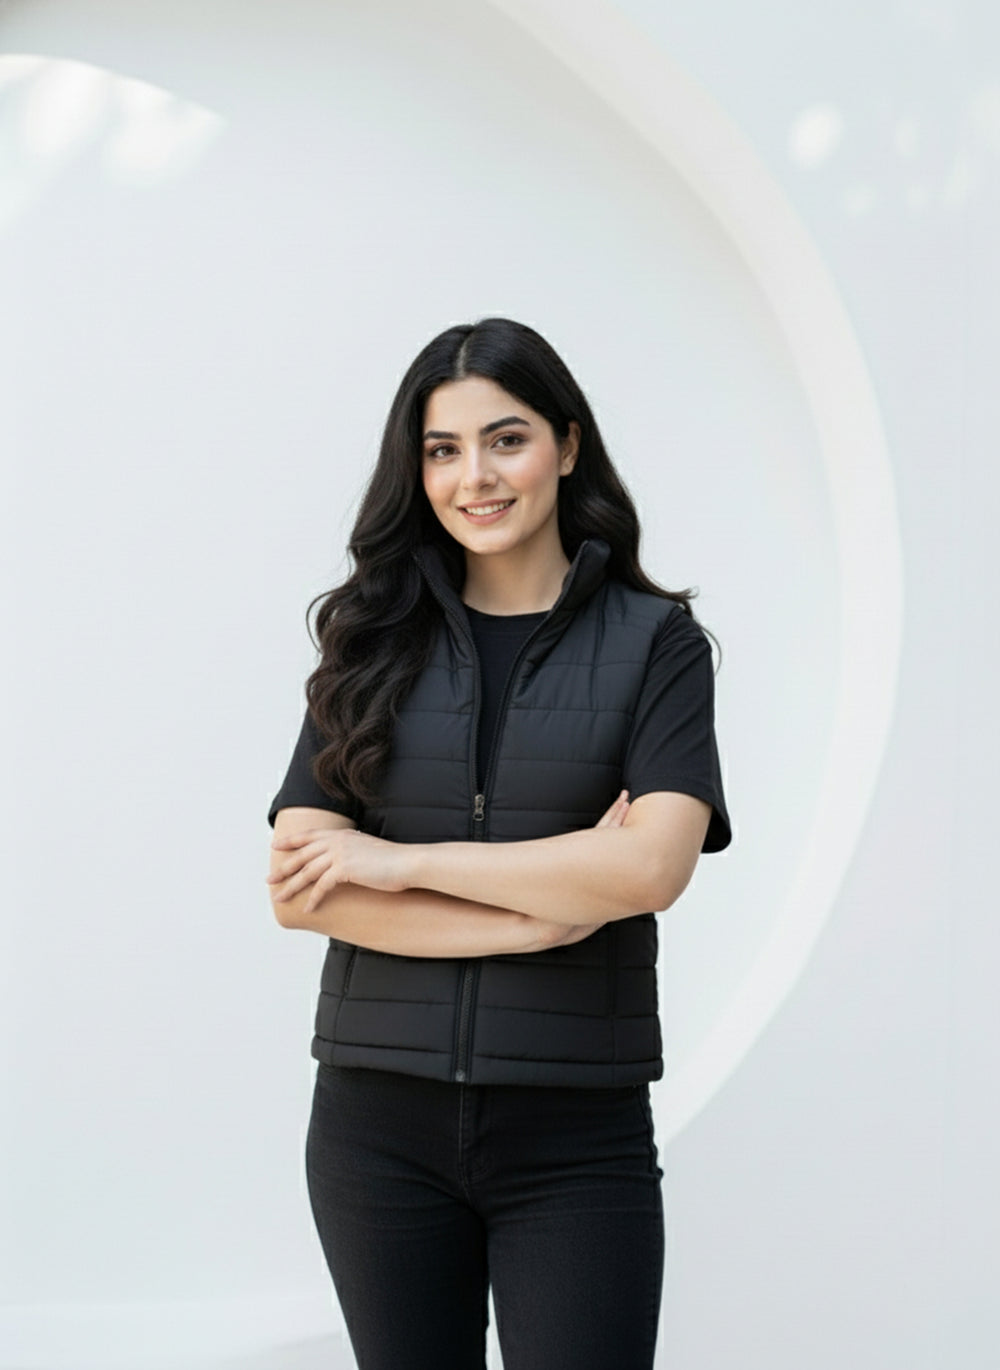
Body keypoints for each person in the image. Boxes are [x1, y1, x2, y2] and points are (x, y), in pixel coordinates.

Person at [265, 316, 731, 1370]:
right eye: (442, 448)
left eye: (505, 438)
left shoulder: (656, 644)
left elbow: (651, 865)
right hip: (374, 1127)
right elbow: (301, 888)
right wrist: (540, 919)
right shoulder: (368, 636)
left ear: (567, 445)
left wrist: (400, 859)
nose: (474, 474)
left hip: (573, 1134)